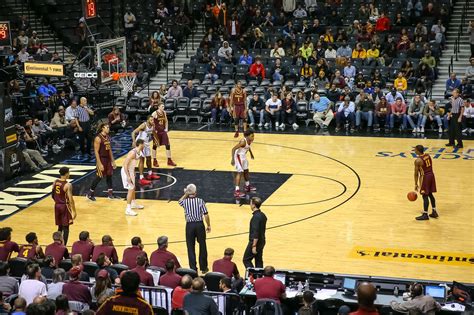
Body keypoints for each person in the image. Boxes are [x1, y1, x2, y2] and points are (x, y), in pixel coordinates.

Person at [178, 184, 211, 273]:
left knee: (190, 247)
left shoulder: (185, 202)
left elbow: (179, 201)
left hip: (189, 226)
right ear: (196, 192)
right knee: (202, 246)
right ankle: (203, 268)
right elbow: (206, 214)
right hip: (199, 225)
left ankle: (193, 268)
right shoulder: (200, 201)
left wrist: (186, 194)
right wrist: (208, 225)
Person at [86, 123, 119, 201]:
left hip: (108, 159)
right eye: (107, 127)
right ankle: (89, 194)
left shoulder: (108, 137)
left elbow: (109, 150)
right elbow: (96, 152)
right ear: (102, 128)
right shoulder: (98, 138)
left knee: (109, 175)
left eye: (108, 127)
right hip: (101, 159)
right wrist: (99, 163)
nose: (108, 128)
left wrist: (113, 161)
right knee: (99, 176)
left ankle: (110, 194)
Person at [132, 116, 160, 186]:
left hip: (146, 144)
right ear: (147, 121)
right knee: (142, 160)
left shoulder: (153, 125)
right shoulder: (143, 125)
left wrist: (157, 141)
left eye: (153, 120)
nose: (152, 121)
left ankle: (150, 174)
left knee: (149, 158)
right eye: (151, 120)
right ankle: (141, 178)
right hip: (140, 143)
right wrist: (134, 142)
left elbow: (154, 133)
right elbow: (133, 132)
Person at [413, 145, 439, 221]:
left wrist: (415, 184)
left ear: (418, 151)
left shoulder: (418, 160)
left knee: (425, 195)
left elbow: (416, 173)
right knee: (430, 194)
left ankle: (425, 214)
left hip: (425, 177)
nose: (414, 151)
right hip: (431, 175)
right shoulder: (427, 155)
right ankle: (434, 211)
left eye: (415, 149)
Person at [121, 139, 146, 216]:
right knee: (131, 189)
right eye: (143, 144)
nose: (144, 145)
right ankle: (128, 209)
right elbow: (125, 164)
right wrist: (128, 176)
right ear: (140, 144)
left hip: (131, 171)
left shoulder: (140, 152)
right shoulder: (132, 153)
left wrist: (133, 171)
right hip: (126, 171)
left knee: (133, 188)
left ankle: (133, 203)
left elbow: (133, 163)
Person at [52, 167, 76, 245]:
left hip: (57, 206)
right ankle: (64, 246)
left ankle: (57, 244)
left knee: (59, 226)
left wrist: (57, 201)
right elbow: (71, 199)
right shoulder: (68, 185)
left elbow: (52, 195)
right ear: (66, 174)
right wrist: (74, 211)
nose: (69, 174)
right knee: (66, 227)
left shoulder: (55, 182)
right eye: (68, 173)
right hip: (64, 206)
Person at [243, 197, 267, 268]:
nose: (250, 205)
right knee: (258, 260)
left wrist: (254, 246)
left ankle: (253, 275)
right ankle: (260, 277)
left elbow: (255, 232)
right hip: (262, 241)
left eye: (250, 203)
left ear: (253, 205)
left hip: (255, 242)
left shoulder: (255, 217)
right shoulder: (263, 215)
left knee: (246, 260)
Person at [231, 130, 256, 198]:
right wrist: (233, 159)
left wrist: (251, 154)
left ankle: (247, 186)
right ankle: (237, 191)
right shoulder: (243, 142)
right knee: (240, 172)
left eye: (253, 136)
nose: (253, 137)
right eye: (252, 136)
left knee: (246, 171)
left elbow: (248, 147)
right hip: (238, 156)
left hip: (243, 156)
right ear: (247, 136)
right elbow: (233, 149)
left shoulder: (249, 141)